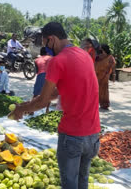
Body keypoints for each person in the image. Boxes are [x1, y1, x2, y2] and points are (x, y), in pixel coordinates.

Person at [10, 22, 101, 189]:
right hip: (93, 135)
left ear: (51, 39)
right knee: (83, 182)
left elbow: (44, 101)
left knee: (69, 184)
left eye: (45, 43)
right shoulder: (84, 55)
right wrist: (30, 103)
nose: (45, 47)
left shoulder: (57, 61)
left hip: (73, 136)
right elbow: (61, 90)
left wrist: (21, 109)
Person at [94, 44, 116, 110]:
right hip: (96, 75)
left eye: (101, 49)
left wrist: (113, 76)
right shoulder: (98, 57)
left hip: (105, 76)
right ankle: (94, 104)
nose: (100, 49)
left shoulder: (110, 57)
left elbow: (113, 66)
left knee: (104, 90)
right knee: (95, 90)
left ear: (104, 49)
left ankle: (104, 104)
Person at [33, 47, 52, 113]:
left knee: (36, 94)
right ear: (47, 52)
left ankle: (31, 111)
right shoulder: (50, 58)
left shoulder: (36, 60)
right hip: (49, 76)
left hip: (40, 75)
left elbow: (37, 70)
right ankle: (47, 109)